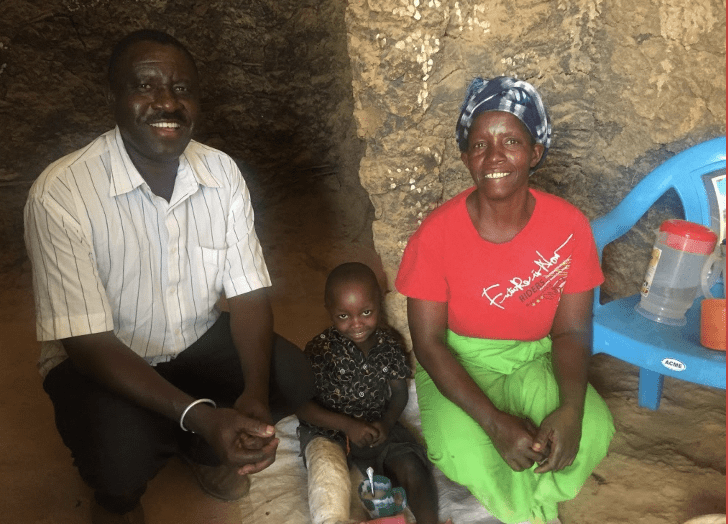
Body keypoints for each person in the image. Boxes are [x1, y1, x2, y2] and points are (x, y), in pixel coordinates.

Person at [23, 29, 314, 524]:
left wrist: (253, 397)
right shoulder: (60, 194)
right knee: (120, 459)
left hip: (194, 342)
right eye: (146, 86)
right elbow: (87, 342)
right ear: (113, 97)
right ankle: (120, 496)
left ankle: (203, 450)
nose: (167, 102)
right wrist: (204, 415)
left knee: (294, 377)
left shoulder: (221, 173)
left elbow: (247, 294)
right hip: (106, 358)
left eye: (182, 89)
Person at [394, 77, 615, 524]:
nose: (494, 157)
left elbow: (571, 329)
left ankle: (535, 497)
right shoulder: (435, 236)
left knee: (591, 430)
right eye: (480, 145)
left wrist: (571, 407)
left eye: (511, 141)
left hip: (536, 358)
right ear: (466, 157)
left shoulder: (569, 227)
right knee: (463, 447)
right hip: (461, 361)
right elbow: (430, 344)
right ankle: (528, 513)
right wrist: (494, 422)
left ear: (535, 152)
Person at [296, 262, 447, 524]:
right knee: (331, 481)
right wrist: (347, 425)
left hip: (378, 426)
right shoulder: (320, 351)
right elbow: (302, 406)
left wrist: (387, 423)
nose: (356, 324)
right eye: (343, 316)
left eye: (366, 312)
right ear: (329, 311)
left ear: (379, 304)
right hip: (331, 430)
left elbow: (399, 393)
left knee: (411, 464)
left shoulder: (389, 345)